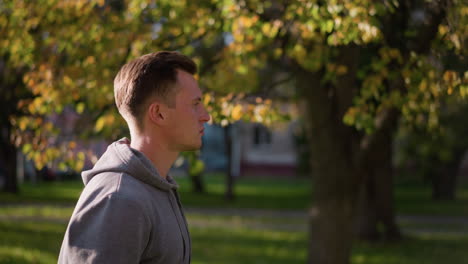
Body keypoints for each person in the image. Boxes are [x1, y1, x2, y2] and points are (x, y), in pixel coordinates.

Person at [58, 51, 210, 264]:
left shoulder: (154, 187)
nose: (206, 116)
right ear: (158, 113)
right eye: (195, 104)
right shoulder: (119, 200)